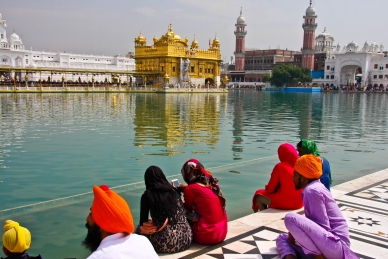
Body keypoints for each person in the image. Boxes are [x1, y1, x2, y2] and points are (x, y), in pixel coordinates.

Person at [276, 154, 358, 259]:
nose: (293, 177)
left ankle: (319, 257)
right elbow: (315, 227)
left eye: (295, 173)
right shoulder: (315, 186)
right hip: (329, 245)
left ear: (303, 177)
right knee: (282, 238)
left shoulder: (312, 191)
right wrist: (295, 232)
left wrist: (297, 231)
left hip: (336, 245)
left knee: (290, 218)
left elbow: (323, 227)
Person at [82, 185, 159, 259]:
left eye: (91, 214)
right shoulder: (143, 242)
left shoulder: (97, 257)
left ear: (103, 223)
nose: (87, 219)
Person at [136, 166, 192, 253]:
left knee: (138, 229)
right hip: (186, 239)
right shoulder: (174, 192)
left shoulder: (147, 196)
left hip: (165, 243)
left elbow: (142, 222)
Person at [180, 158, 228, 245]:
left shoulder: (190, 189)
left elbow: (187, 207)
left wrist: (180, 200)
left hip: (206, 236)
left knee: (179, 210)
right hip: (222, 232)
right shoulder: (212, 185)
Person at [252, 143, 303, 212]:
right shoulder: (302, 164)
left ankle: (264, 215)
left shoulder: (280, 166)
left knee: (258, 195)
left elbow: (270, 189)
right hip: (300, 203)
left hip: (285, 203)